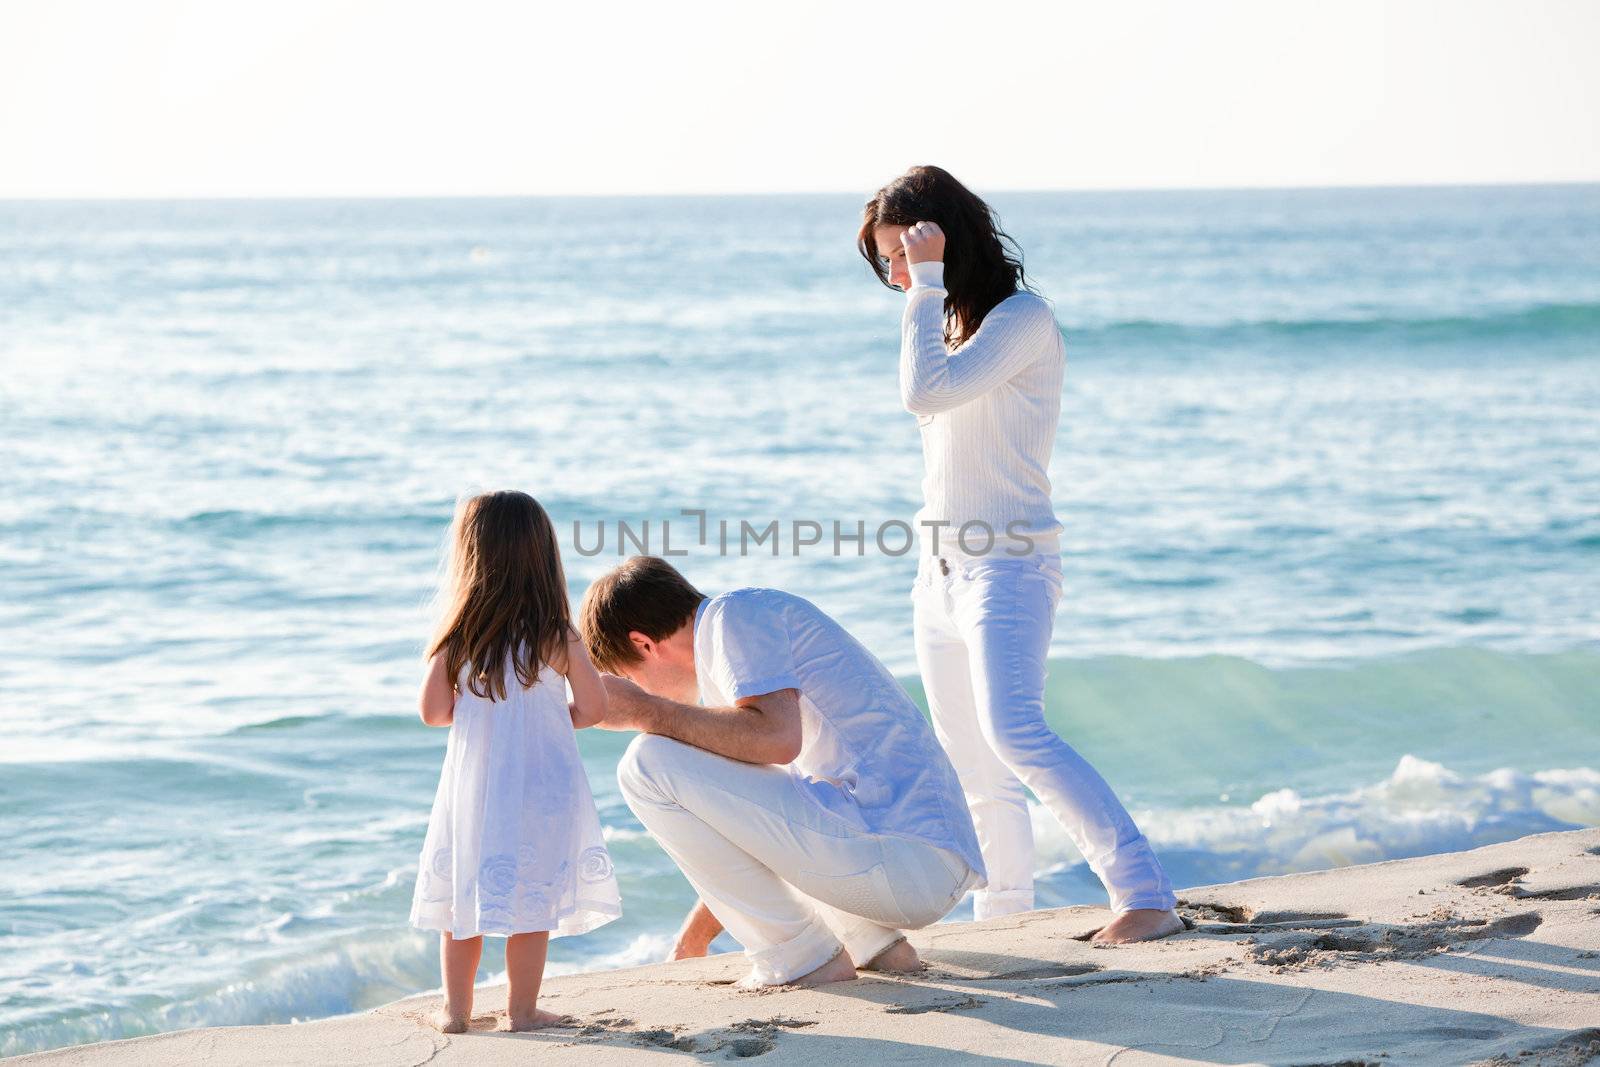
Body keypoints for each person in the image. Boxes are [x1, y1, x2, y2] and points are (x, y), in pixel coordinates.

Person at [858, 165, 1182, 942]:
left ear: (940, 238)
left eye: (899, 253)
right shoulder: (948, 328)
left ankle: (1144, 892)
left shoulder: (1023, 320)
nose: (893, 274)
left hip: (1008, 564)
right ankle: (1004, 914)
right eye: (888, 263)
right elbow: (931, 386)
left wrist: (924, 284)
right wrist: (927, 295)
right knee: (972, 762)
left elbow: (923, 394)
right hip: (936, 570)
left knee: (1015, 732)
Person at [578, 555, 984, 988]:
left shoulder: (733, 617)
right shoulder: (740, 639)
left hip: (903, 858)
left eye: (629, 678)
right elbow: (765, 826)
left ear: (643, 645)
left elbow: (777, 739)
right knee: (770, 782)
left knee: (645, 765)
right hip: (916, 863)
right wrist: (691, 942)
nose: (637, 690)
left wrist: (645, 709)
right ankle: (876, 945)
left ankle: (802, 959)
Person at [409, 490, 621, 1032]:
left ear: (469, 559)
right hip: (544, 785)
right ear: (543, 557)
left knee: (463, 900)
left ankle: (456, 1013)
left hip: (474, 790)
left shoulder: (458, 639)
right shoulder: (558, 635)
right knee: (534, 900)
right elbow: (594, 709)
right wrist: (548, 722)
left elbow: (434, 713)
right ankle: (521, 1011)